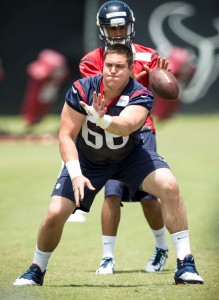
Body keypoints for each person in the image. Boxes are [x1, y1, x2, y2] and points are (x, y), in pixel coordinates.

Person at [13, 44, 203, 286]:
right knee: (55, 213)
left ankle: (185, 263)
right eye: (109, 65)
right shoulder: (82, 89)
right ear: (102, 66)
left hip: (129, 157)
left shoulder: (140, 94)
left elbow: (126, 125)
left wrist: (102, 119)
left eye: (119, 67)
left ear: (130, 69)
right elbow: (65, 136)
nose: (113, 71)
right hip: (89, 161)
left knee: (169, 185)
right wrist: (75, 174)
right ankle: (36, 269)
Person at [79, 0, 169, 274]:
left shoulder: (148, 55)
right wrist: (139, 77)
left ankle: (161, 248)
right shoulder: (91, 61)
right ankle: (107, 256)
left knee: (150, 196)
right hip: (110, 132)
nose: (118, 32)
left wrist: (162, 77)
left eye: (122, 26)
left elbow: (156, 94)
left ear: (130, 27)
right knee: (112, 194)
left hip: (142, 129)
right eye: (112, 27)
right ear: (103, 30)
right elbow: (102, 96)